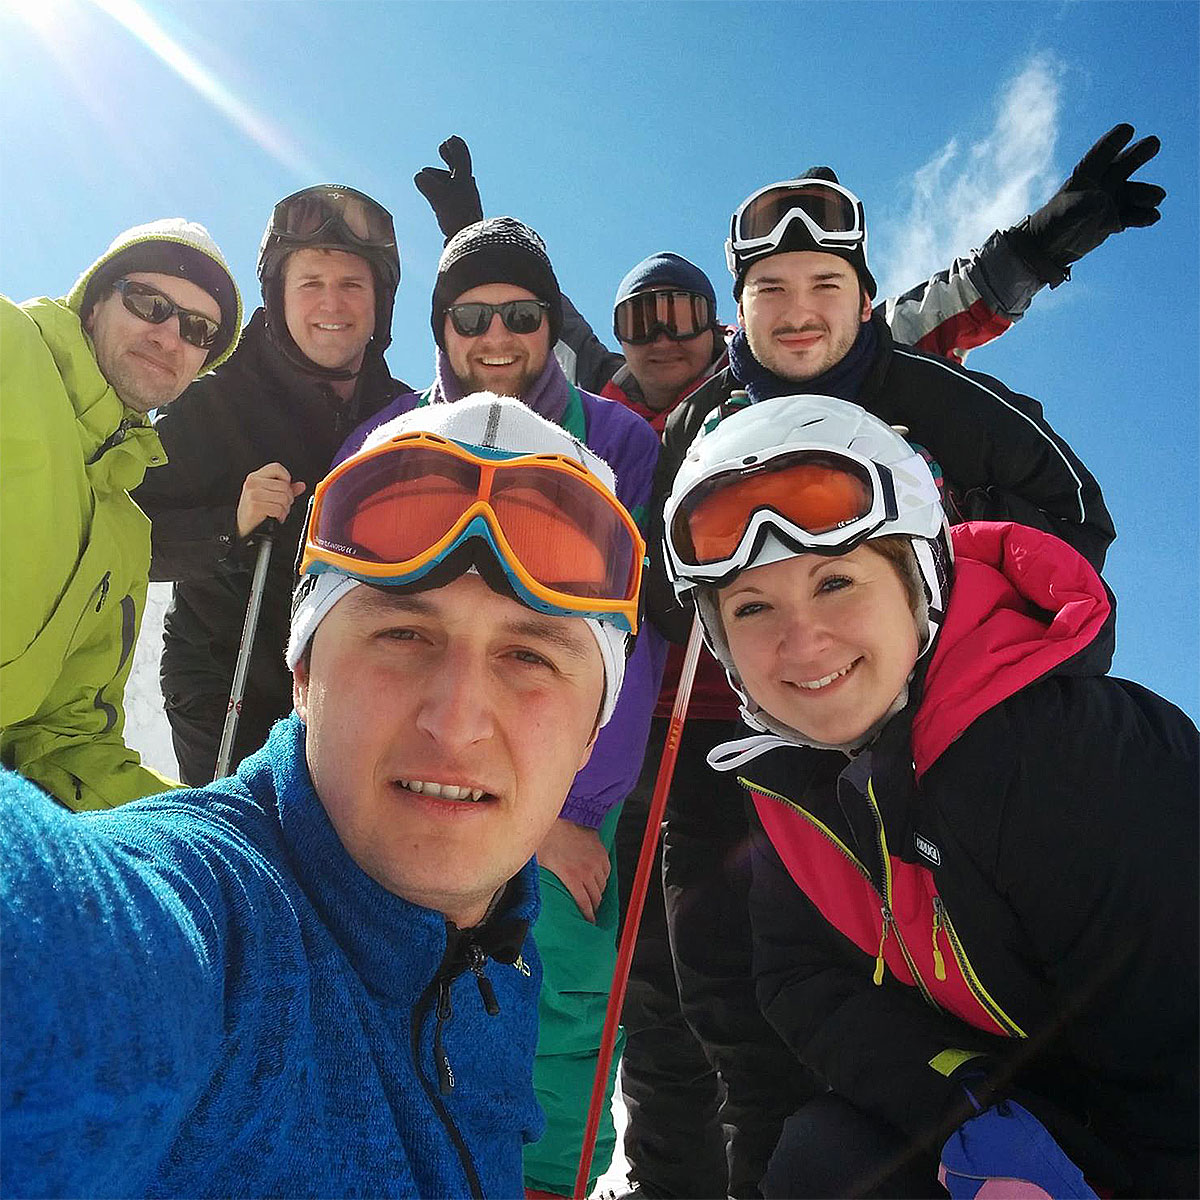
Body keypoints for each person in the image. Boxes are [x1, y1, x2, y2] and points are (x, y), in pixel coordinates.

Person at [417, 126, 1163, 1199]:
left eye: (820, 282)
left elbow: (948, 332)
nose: (664, 339)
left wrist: (1041, 246)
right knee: (687, 993)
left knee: (840, 985)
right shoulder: (662, 406)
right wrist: (474, 235)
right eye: (643, 323)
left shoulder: (858, 368)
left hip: (875, 718)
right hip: (714, 735)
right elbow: (538, 336)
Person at [0, 392, 644, 1199]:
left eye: (530, 657)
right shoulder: (221, 925)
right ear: (302, 675)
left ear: (591, 733)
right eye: (402, 634)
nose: (456, 721)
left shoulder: (498, 946)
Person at [662, 392, 1198, 1199]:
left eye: (836, 581)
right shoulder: (789, 788)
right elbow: (803, 983)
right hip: (1033, 1118)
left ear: (920, 579)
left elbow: (1180, 1056)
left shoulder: (1068, 754)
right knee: (824, 1158)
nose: (801, 641)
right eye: (752, 607)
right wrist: (965, 1100)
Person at [339, 213, 665, 1197]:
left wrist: (563, 811)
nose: (495, 337)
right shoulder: (389, 438)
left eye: (520, 314)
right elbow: (345, 619)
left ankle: (544, 1184)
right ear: (440, 330)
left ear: (549, 325)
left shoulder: (614, 439)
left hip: (556, 779)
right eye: (469, 316)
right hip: (409, 765)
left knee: (557, 1002)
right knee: (384, 985)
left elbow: (632, 635)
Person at [133, 185, 409, 785]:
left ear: (379, 304)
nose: (331, 303)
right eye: (310, 283)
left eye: (352, 285)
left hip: (348, 690)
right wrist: (228, 526)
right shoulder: (215, 399)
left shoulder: (400, 416)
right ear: (278, 295)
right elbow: (128, 534)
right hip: (227, 688)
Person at [1, 219, 241, 810]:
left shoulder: (126, 535)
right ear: (92, 305)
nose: (168, 336)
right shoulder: (10, 351)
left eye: (196, 328)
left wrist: (200, 832)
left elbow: (63, 744)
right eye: (148, 304)